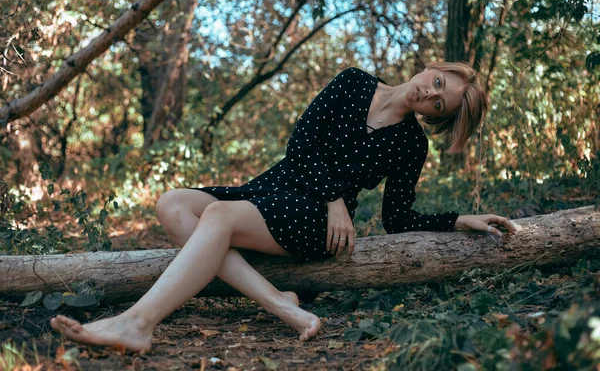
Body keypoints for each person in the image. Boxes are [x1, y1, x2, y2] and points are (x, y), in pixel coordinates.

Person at [50, 64, 517, 351]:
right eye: (436, 84)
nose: (429, 96)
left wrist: (456, 219)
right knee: (173, 204)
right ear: (431, 67)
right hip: (279, 187)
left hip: (317, 223)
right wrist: (337, 195)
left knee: (217, 218)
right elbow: (301, 143)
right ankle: (282, 304)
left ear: (436, 118)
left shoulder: (411, 145)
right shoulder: (354, 83)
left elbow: (398, 218)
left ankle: (137, 323)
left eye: (439, 104)